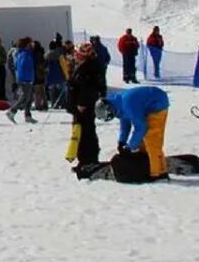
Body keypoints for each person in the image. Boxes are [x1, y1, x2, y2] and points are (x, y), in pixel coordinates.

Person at [96, 86, 170, 181]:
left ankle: (159, 173)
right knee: (142, 142)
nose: (107, 117)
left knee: (152, 141)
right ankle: (148, 164)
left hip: (157, 105)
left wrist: (130, 147)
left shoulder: (127, 105)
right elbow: (125, 125)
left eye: (105, 115)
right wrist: (122, 141)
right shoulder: (119, 105)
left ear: (108, 108)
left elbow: (141, 127)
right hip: (145, 107)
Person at [67, 42, 107, 172]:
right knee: (81, 132)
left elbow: (89, 87)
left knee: (86, 133)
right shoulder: (86, 66)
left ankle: (89, 160)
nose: (76, 56)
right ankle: (84, 160)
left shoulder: (91, 67)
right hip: (80, 105)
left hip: (84, 106)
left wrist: (82, 103)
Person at [6, 38, 37, 124]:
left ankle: (28, 116)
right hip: (25, 79)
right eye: (31, 43)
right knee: (24, 97)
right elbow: (23, 67)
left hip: (27, 78)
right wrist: (27, 78)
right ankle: (12, 111)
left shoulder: (25, 53)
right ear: (27, 44)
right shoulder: (24, 54)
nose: (33, 44)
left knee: (29, 98)